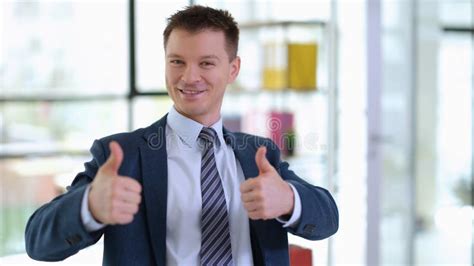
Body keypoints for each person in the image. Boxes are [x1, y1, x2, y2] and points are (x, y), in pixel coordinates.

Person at [25, 5, 338, 265]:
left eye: (206, 63)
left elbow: (327, 218)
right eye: (177, 62)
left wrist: (288, 199)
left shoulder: (259, 154)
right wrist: (89, 205)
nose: (189, 77)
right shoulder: (121, 155)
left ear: (232, 69)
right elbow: (38, 241)